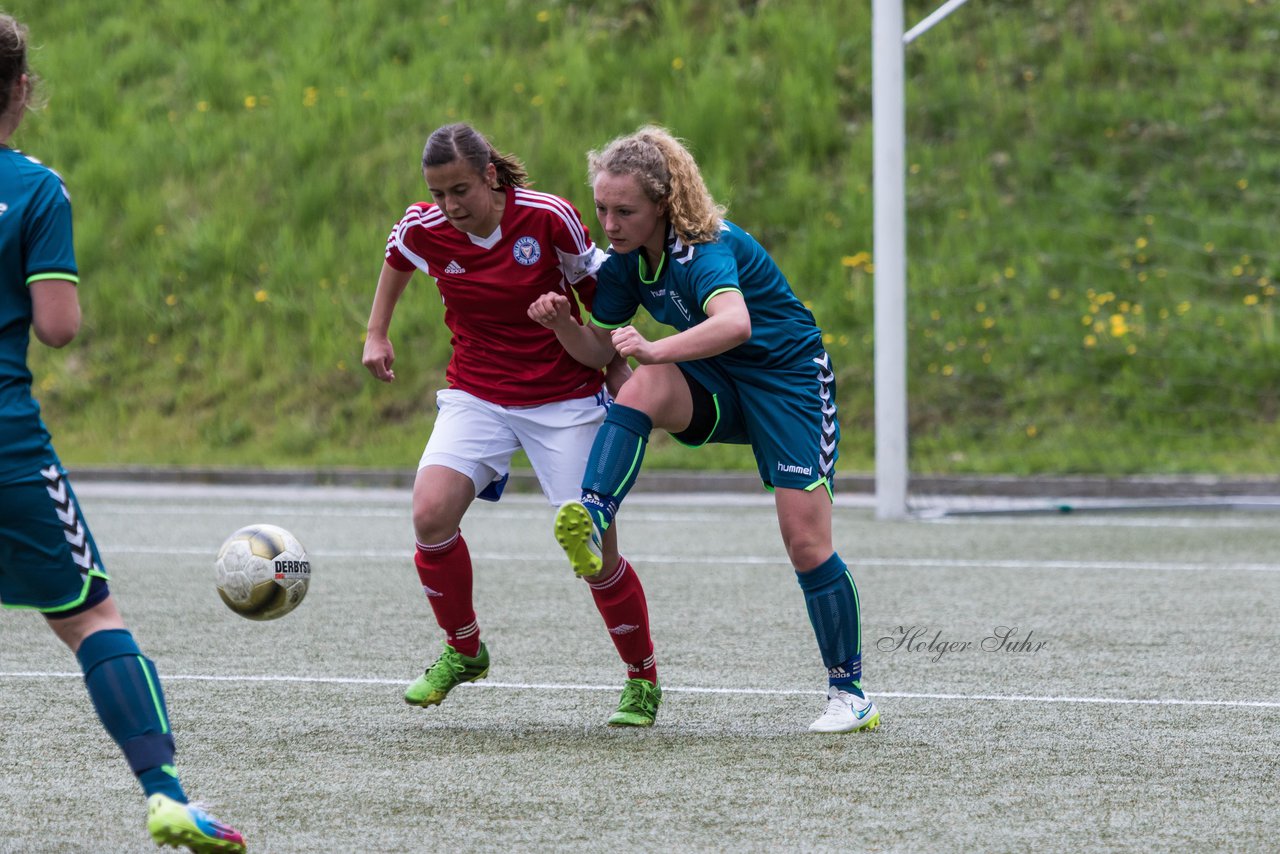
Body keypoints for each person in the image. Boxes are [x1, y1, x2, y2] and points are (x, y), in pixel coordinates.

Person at [530, 125, 880, 733]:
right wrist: (563, 323)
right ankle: (591, 515)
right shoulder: (624, 264)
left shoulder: (706, 246)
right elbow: (596, 352)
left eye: (625, 211)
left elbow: (736, 323)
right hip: (717, 379)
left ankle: (850, 693)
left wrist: (657, 348)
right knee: (640, 385)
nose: (609, 224)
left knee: (805, 542)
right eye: (602, 210)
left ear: (662, 205)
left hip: (789, 381)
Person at [0, 15, 246, 852]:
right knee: (91, 615)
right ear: (22, 90)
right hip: (6, 445)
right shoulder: (35, 188)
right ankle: (166, 795)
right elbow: (59, 326)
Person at [362, 123, 662, 727]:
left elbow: (601, 301)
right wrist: (376, 331)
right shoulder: (424, 227)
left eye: (461, 191)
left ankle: (642, 680)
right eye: (439, 193)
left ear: (490, 177)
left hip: (562, 398)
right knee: (429, 513)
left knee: (596, 552)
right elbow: (398, 257)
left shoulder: (550, 218)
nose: (450, 207)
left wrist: (613, 369)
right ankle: (464, 649)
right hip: (478, 393)